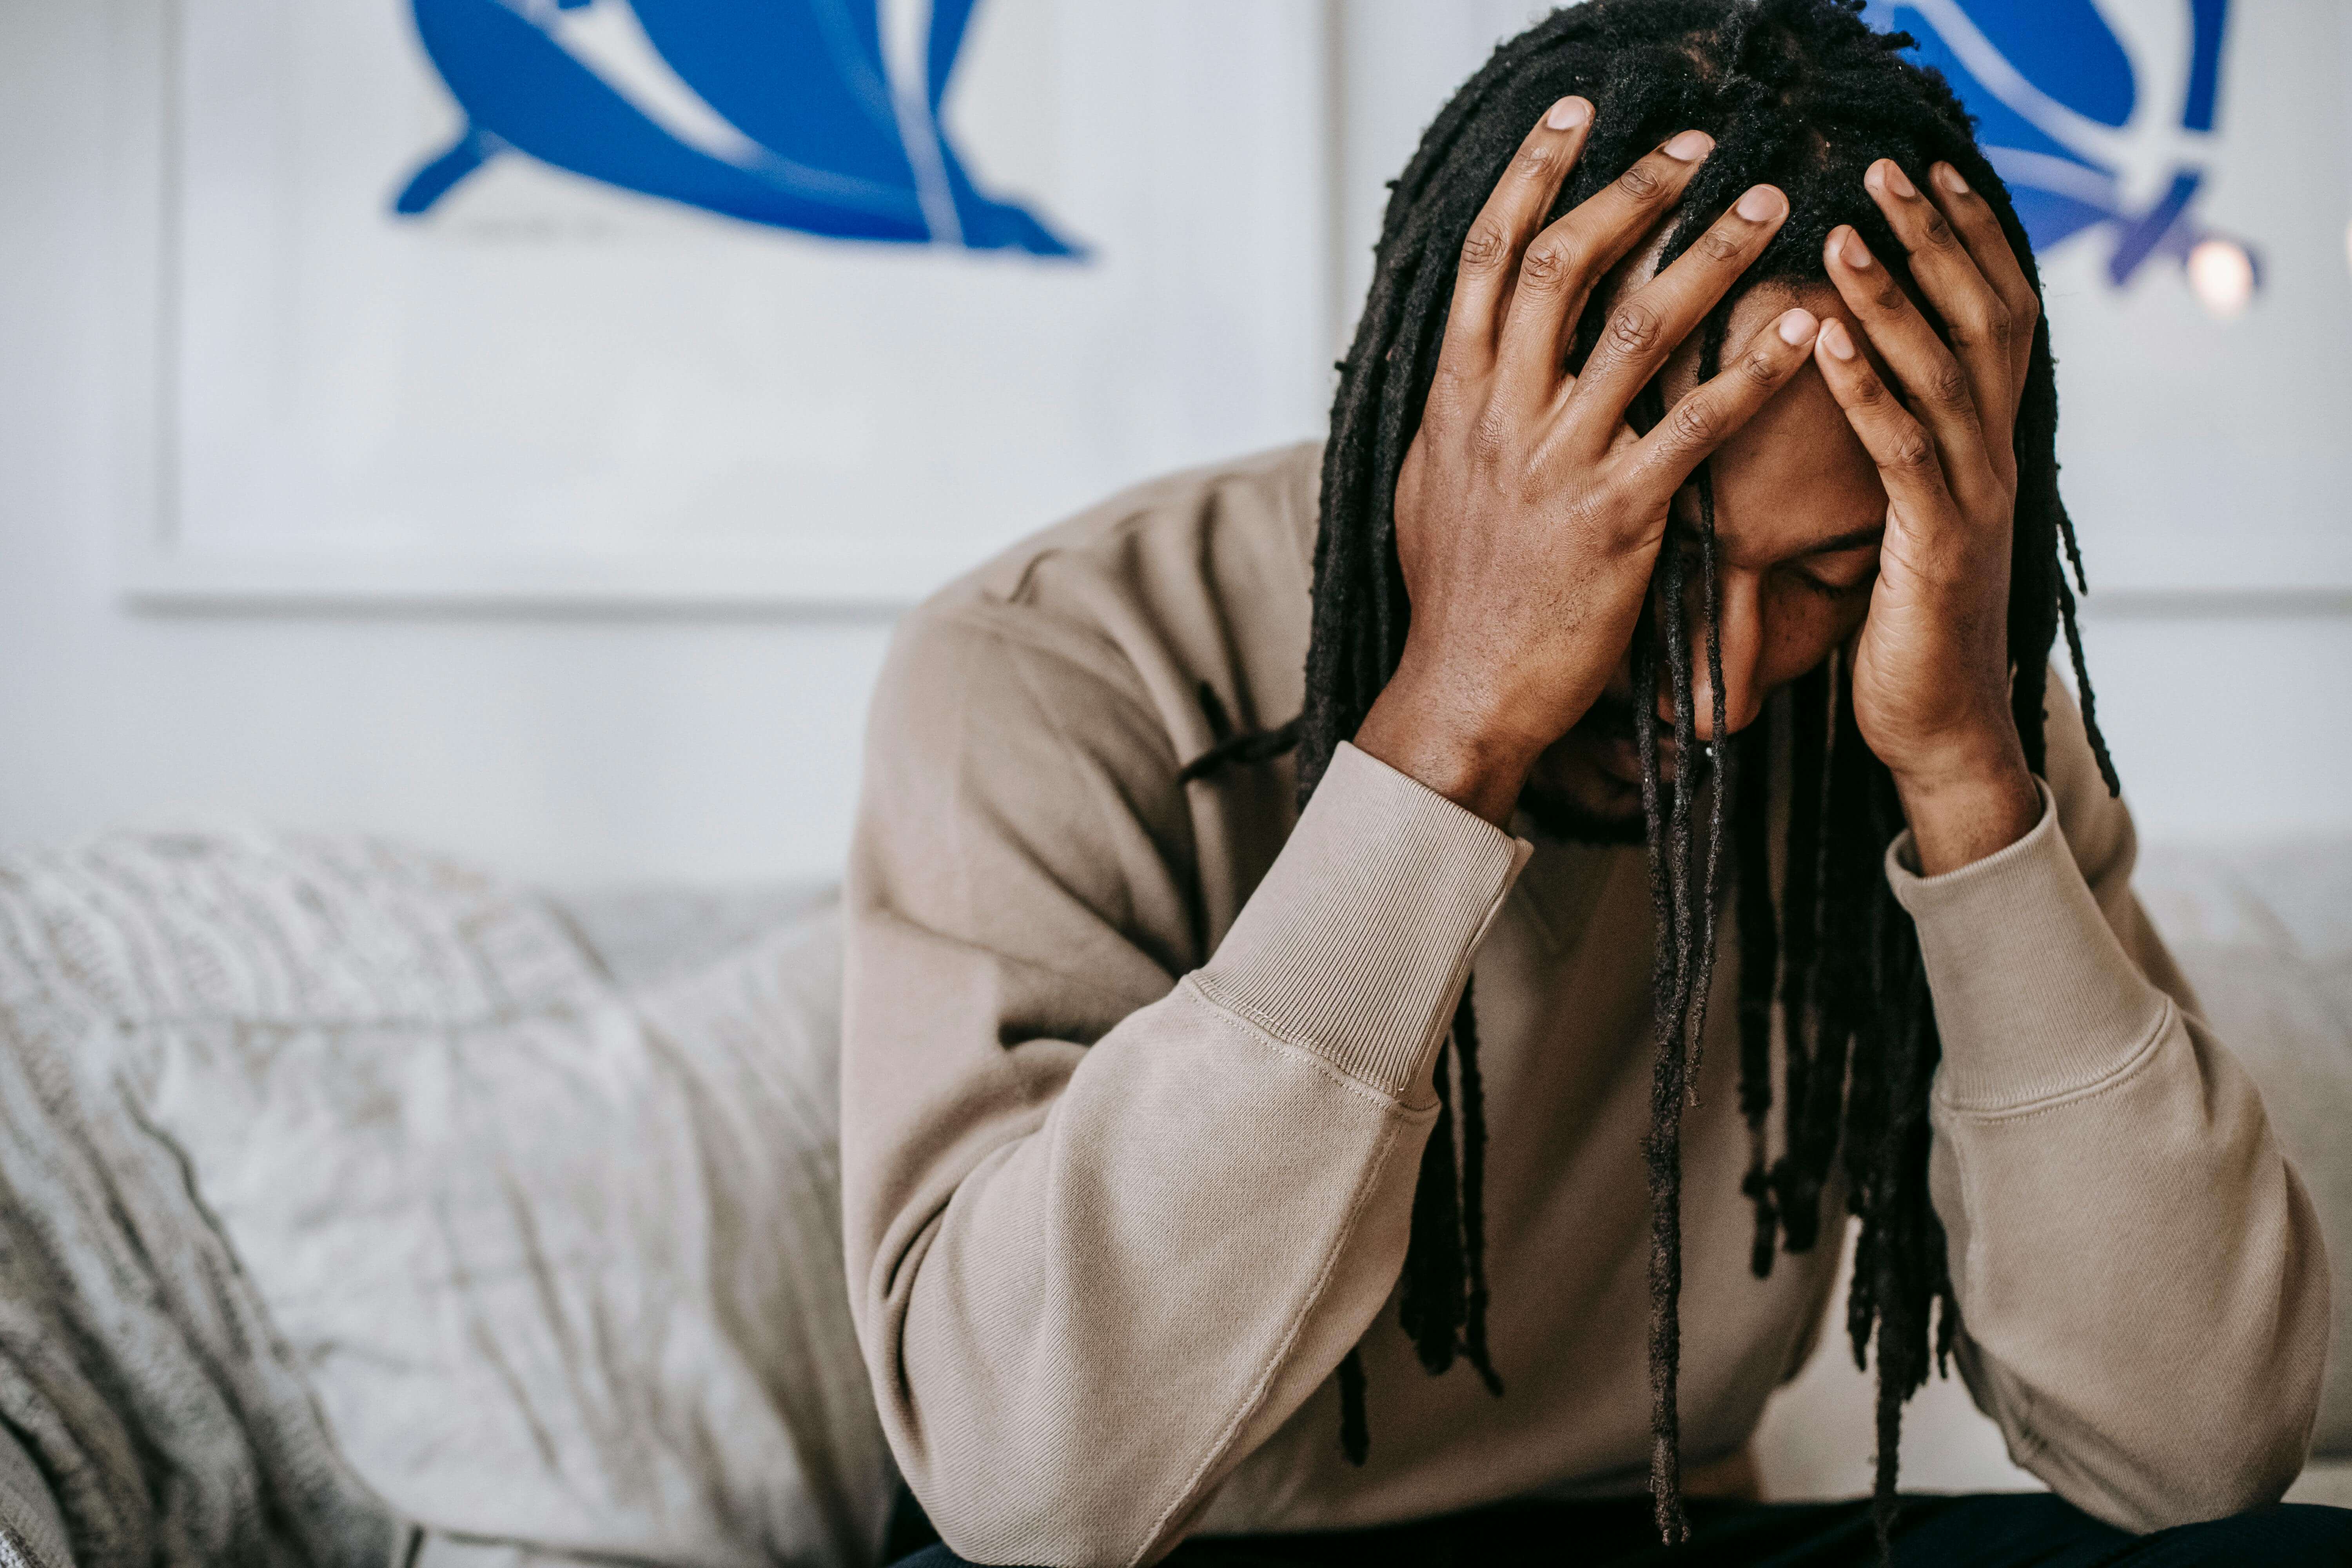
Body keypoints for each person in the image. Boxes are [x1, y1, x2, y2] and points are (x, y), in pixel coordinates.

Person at [840, 2, 2350, 1563]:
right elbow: (1027, 1482)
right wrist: (1448, 731)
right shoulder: (1059, 663)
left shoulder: (1921, 684)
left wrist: (1969, 777)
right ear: (1452, 429)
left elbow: (2201, 1448)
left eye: (1825, 571)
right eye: (1653, 557)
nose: (1717, 688)